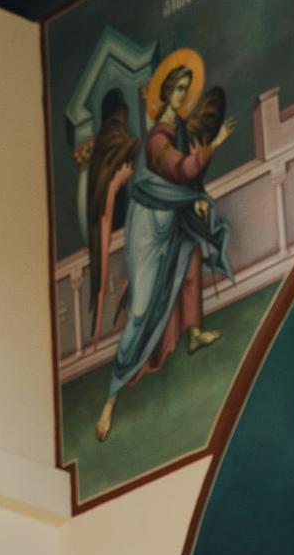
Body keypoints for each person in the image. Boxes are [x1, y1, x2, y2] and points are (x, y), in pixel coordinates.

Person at [95, 57, 235, 443]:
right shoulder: (158, 137)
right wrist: (215, 146)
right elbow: (181, 171)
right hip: (148, 225)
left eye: (186, 90)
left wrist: (196, 199)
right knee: (140, 312)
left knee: (190, 257)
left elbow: (186, 182)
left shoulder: (183, 130)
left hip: (171, 214)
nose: (182, 96)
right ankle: (111, 396)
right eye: (177, 89)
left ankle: (193, 332)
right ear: (165, 93)